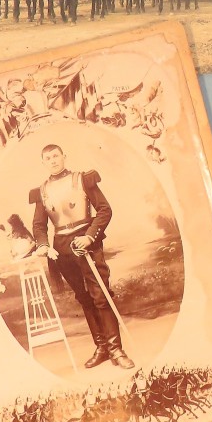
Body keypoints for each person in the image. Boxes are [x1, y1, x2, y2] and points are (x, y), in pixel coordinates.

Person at [30, 144, 134, 370]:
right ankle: (102, 348)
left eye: (56, 155)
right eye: (48, 158)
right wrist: (44, 245)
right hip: (62, 250)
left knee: (100, 295)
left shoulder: (82, 179)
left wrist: (88, 237)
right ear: (43, 163)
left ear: (64, 156)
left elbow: (105, 209)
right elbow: (39, 225)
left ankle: (116, 349)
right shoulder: (42, 191)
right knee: (84, 297)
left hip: (86, 242)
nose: (53, 160)